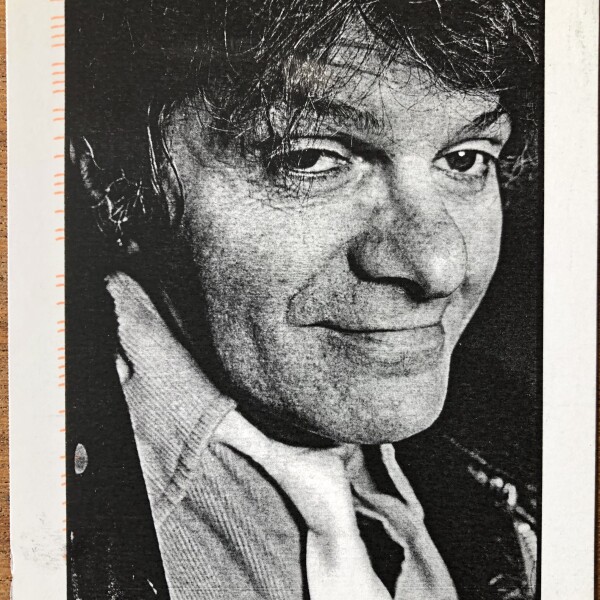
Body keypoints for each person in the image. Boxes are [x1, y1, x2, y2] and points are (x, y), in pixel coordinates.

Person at [66, 1, 540, 599]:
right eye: (309, 158)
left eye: (465, 159)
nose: (439, 267)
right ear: (111, 179)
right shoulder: (47, 516)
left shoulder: (507, 465)